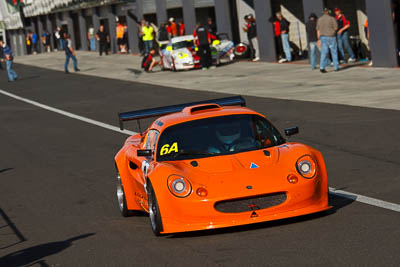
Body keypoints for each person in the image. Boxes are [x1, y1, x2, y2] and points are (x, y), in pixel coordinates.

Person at [317, 8, 339, 73]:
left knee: (324, 52)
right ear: (328, 12)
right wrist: (332, 31)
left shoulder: (319, 19)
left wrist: (318, 39)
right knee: (334, 52)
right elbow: (336, 28)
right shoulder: (332, 18)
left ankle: (322, 67)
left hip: (323, 37)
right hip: (331, 36)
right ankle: (336, 67)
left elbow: (318, 30)